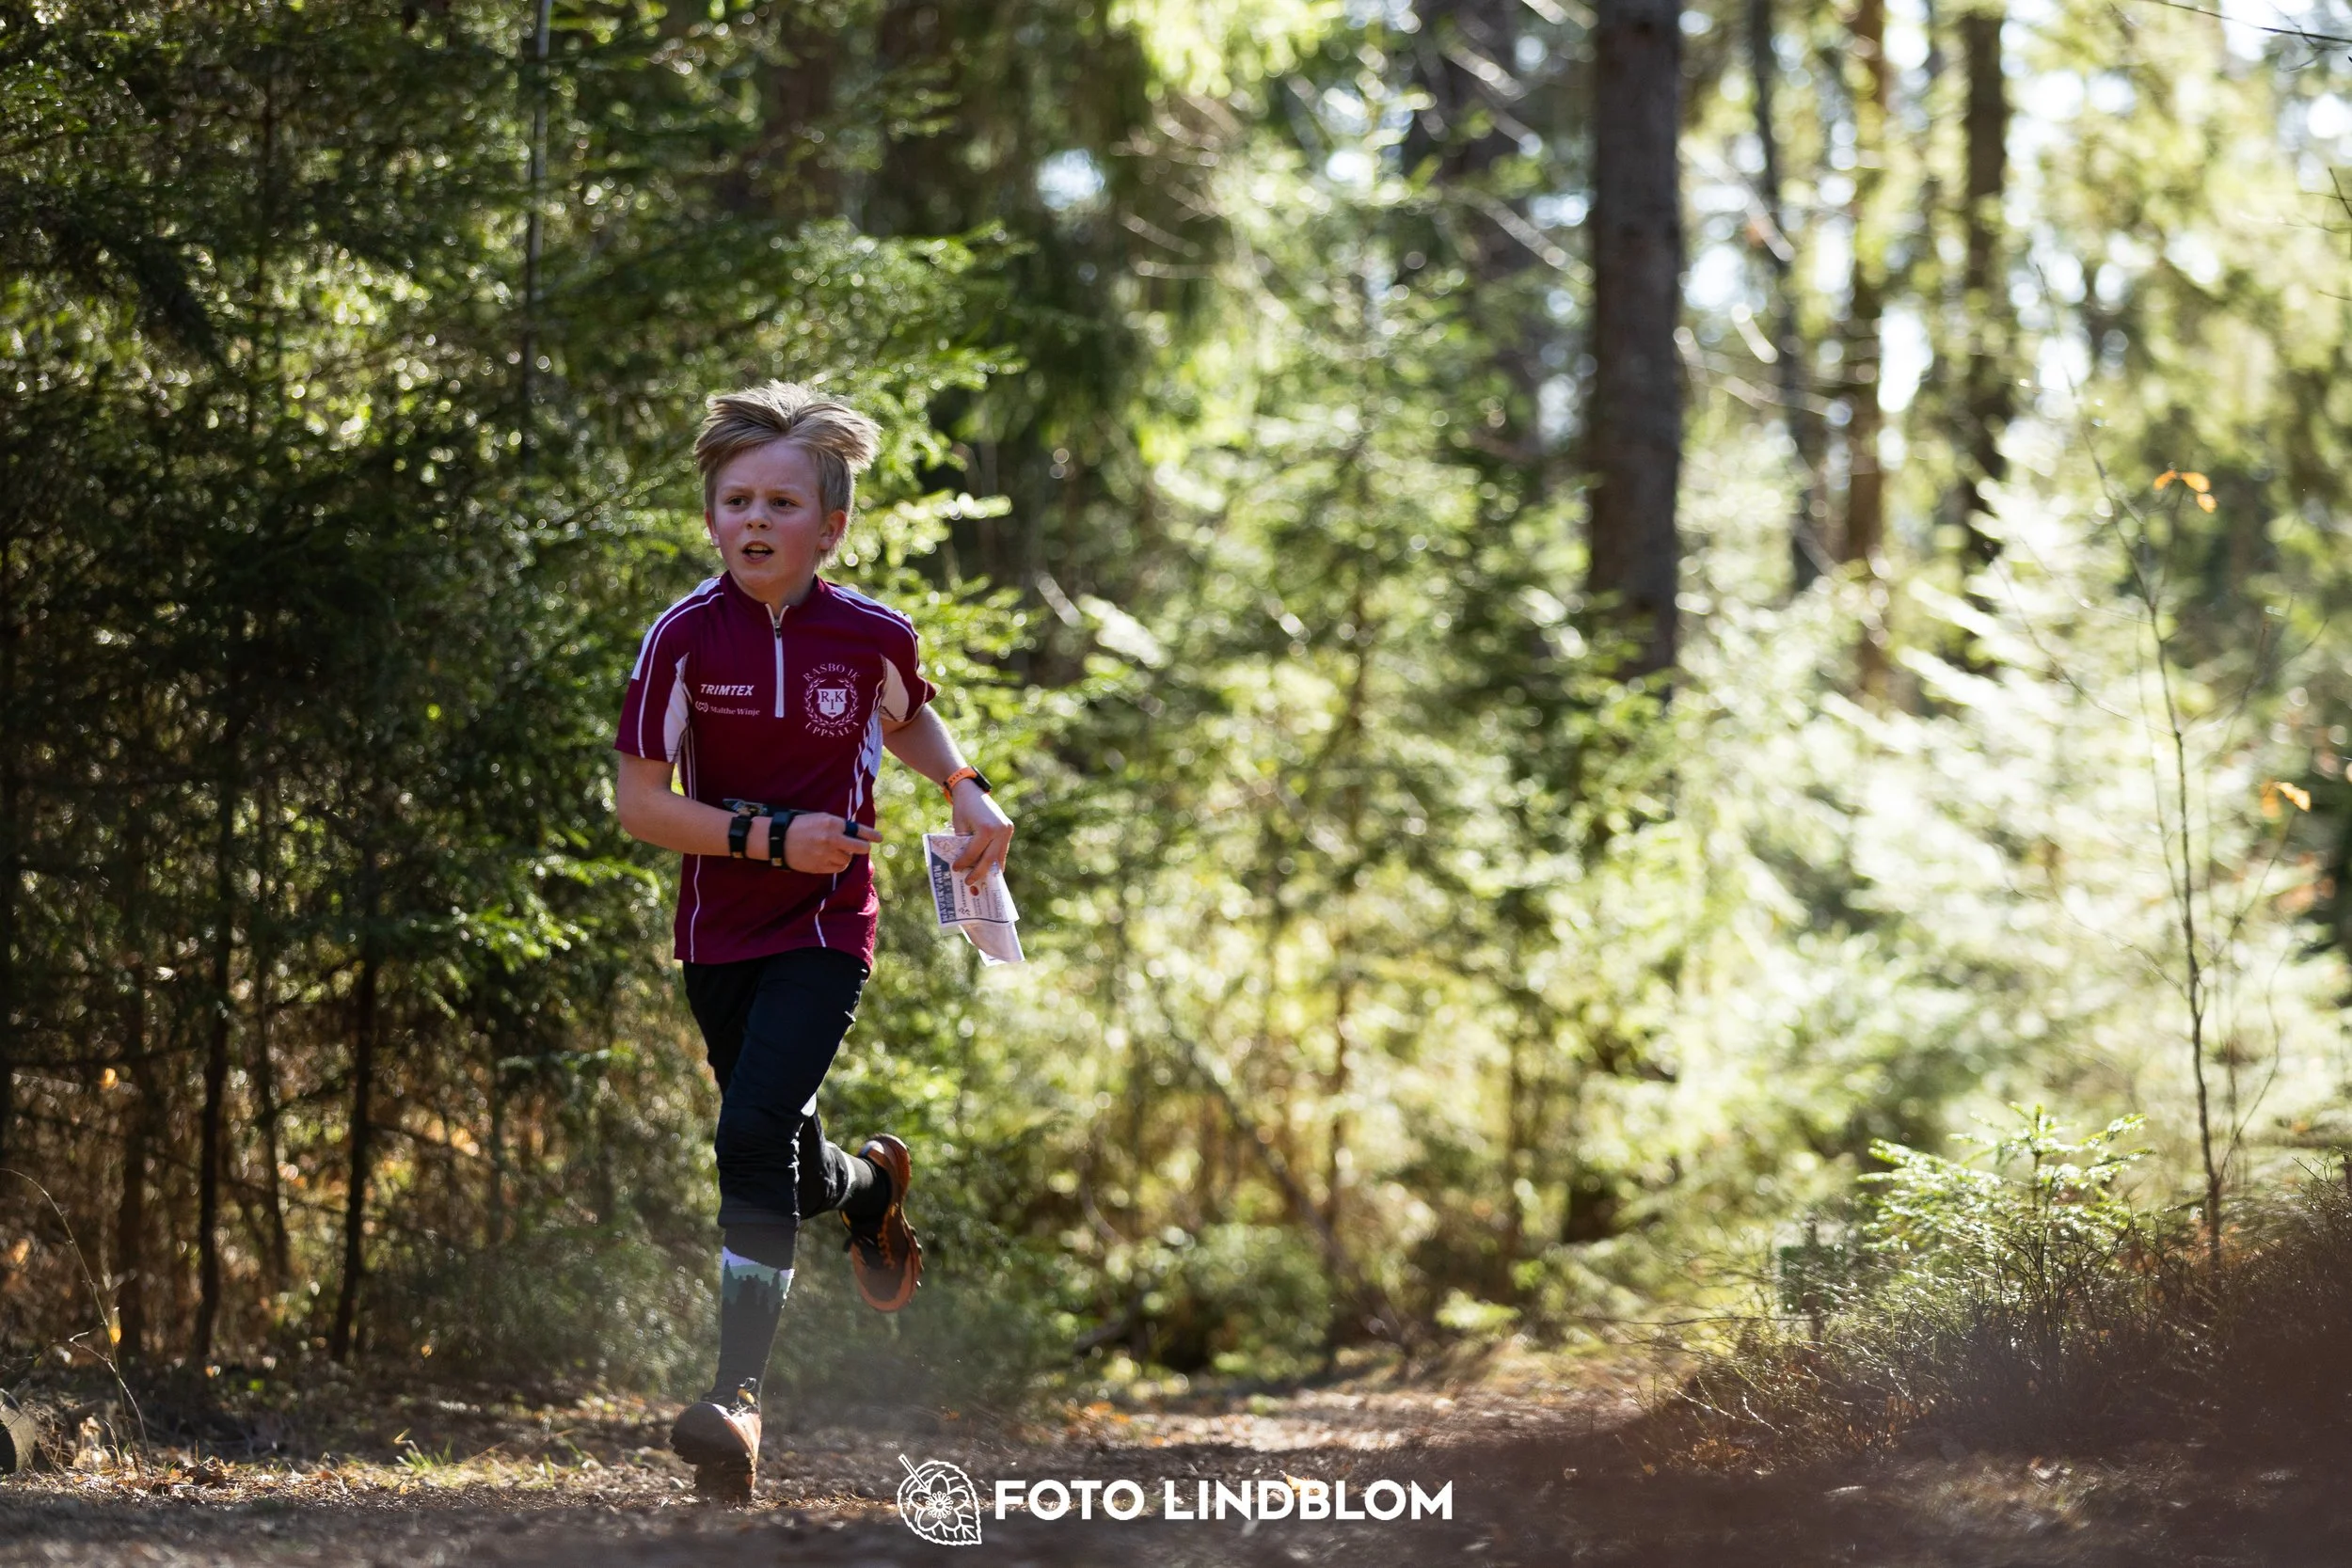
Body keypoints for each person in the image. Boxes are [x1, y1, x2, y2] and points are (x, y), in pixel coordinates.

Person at [612, 381, 1015, 1500]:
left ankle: (736, 1401)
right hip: (717, 932)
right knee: (783, 1161)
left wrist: (967, 789)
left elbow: (907, 710)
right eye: (734, 499)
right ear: (710, 518)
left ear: (828, 524)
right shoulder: (683, 639)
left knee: (745, 1136)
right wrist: (767, 835)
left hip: (828, 928)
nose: (754, 518)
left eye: (780, 502)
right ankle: (869, 1188)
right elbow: (641, 804)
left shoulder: (870, 633)